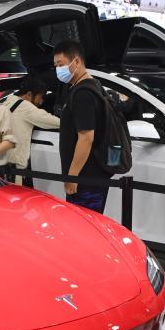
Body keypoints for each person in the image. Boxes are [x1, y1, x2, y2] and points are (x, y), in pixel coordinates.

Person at [54, 40, 112, 214]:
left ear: (76, 61)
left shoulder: (83, 94)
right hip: (93, 176)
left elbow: (86, 138)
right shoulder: (94, 86)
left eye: (61, 64)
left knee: (83, 222)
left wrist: (72, 176)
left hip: (85, 179)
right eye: (56, 66)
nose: (58, 70)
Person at [0, 76, 60, 185]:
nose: (41, 102)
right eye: (40, 97)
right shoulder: (25, 107)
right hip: (13, 167)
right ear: (29, 95)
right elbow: (54, 121)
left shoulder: (6, 102)